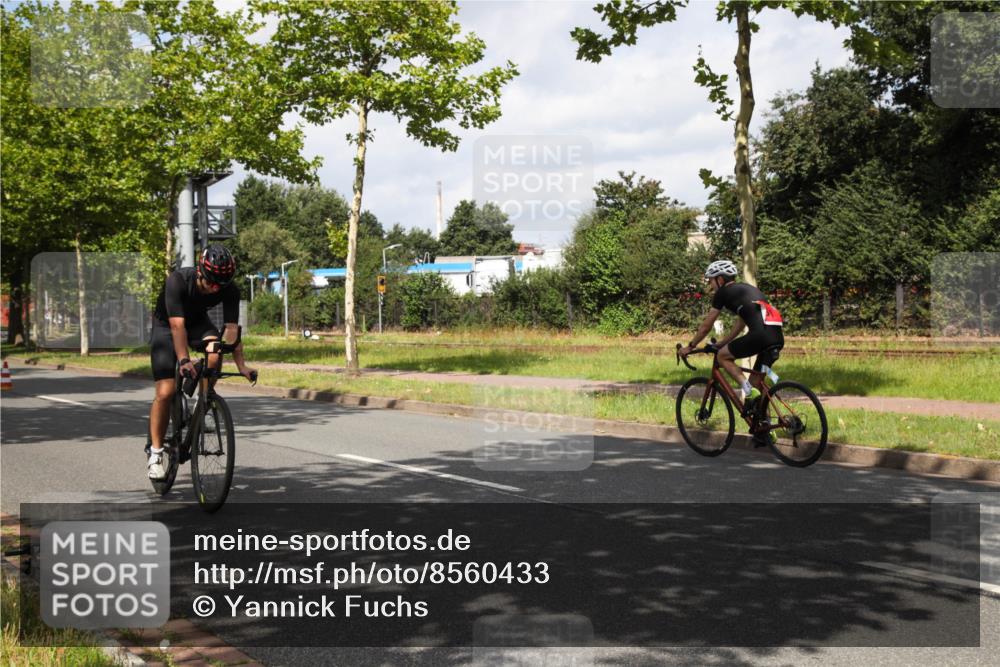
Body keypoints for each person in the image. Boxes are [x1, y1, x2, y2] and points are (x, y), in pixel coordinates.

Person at [146, 244, 256, 479]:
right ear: (200, 272)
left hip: (197, 322)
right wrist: (184, 359)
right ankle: (155, 453)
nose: (215, 288)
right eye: (211, 283)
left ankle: (202, 404)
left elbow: (232, 332)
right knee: (165, 392)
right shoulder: (177, 281)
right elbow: (177, 326)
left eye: (220, 285)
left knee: (216, 351)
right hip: (166, 326)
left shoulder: (228, 289)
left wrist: (242, 366)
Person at [678, 260, 784, 444]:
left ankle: (747, 391)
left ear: (720, 279)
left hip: (760, 336)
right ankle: (765, 430)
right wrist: (724, 342)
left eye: (711, 280)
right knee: (757, 383)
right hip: (776, 337)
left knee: (722, 357)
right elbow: (741, 322)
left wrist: (691, 346)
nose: (711, 285)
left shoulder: (723, 293)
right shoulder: (746, 290)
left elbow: (707, 324)